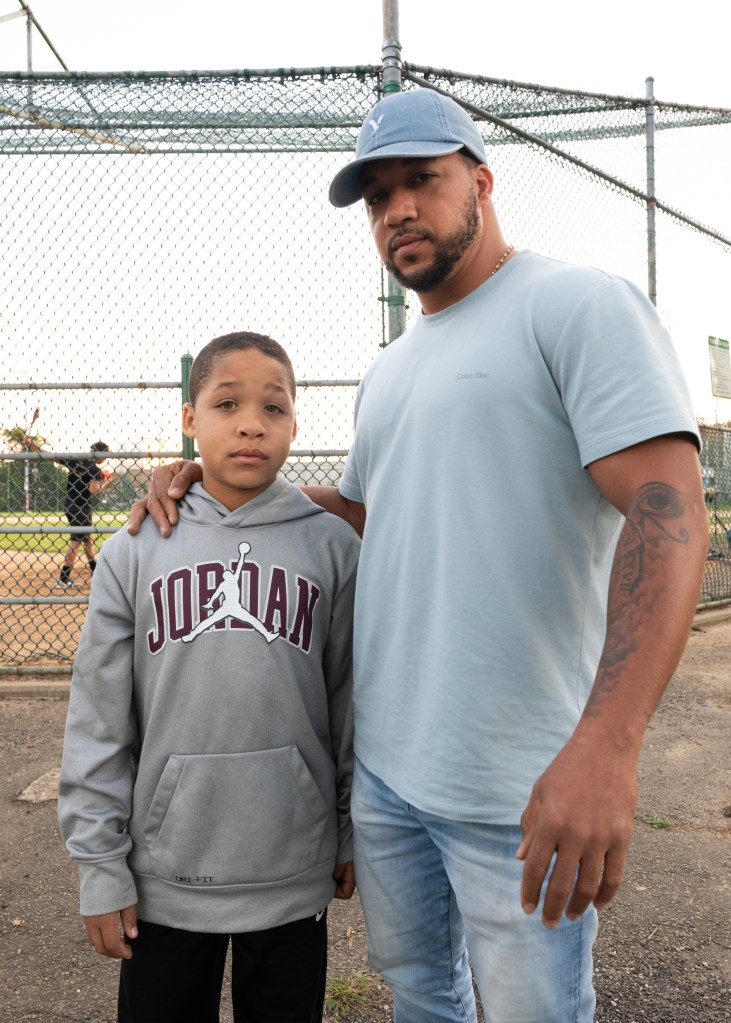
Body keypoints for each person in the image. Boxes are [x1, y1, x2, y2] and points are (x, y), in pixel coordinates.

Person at [129, 91, 708, 1023]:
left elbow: (667, 507)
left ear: (479, 180)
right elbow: (365, 511)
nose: (396, 208)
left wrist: (607, 744)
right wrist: (214, 483)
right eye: (375, 196)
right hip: (393, 775)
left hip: (517, 782)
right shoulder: (391, 369)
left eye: (421, 181)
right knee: (422, 999)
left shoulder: (573, 303)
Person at [58, 331, 360, 1023]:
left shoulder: (331, 546)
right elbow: (100, 717)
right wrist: (100, 865)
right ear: (190, 419)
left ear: (294, 422)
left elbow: (352, 704)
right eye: (227, 402)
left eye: (273, 407)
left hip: (291, 870)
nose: (251, 421)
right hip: (164, 876)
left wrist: (347, 829)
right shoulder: (134, 548)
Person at [21, 435, 113, 587]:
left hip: (69, 504)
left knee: (88, 539)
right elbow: (93, 490)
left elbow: (50, 456)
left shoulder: (76, 460)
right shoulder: (94, 469)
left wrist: (31, 444)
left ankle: (96, 573)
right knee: (76, 541)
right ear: (101, 454)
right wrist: (107, 482)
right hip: (82, 506)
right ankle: (63, 579)